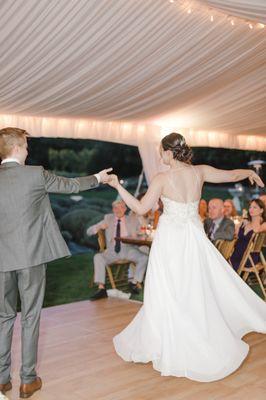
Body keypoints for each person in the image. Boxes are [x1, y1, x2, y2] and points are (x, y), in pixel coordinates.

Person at [107, 132, 266, 382]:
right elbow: (231, 174)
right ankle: (194, 333)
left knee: (168, 290)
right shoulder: (199, 171)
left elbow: (140, 208)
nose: (160, 156)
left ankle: (172, 340)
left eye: (161, 152)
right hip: (193, 238)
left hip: (170, 241)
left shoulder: (162, 178)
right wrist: (249, 173)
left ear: (170, 153)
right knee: (194, 288)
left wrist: (117, 185)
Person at [0, 127, 112, 398]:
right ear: (16, 148)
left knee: (3, 318)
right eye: (26, 146)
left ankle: (2, 381)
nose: (28, 150)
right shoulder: (35, 174)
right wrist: (98, 177)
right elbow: (71, 185)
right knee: (30, 317)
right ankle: (27, 380)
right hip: (31, 259)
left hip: (2, 261)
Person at [87, 200, 148, 299]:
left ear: (125, 209)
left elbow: (142, 233)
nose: (118, 210)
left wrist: (139, 235)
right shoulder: (108, 219)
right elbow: (88, 231)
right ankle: (101, 288)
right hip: (112, 251)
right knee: (98, 257)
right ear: (113, 209)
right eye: (115, 208)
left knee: (144, 258)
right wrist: (98, 227)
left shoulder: (132, 220)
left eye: (121, 207)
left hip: (128, 249)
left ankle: (135, 282)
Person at [229, 199, 266, 271]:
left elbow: (256, 230)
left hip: (249, 257)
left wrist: (257, 218)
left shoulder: (264, 224)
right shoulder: (244, 222)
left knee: (227, 267)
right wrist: (242, 222)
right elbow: (234, 235)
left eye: (254, 207)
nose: (251, 209)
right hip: (236, 254)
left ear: (261, 210)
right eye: (250, 207)